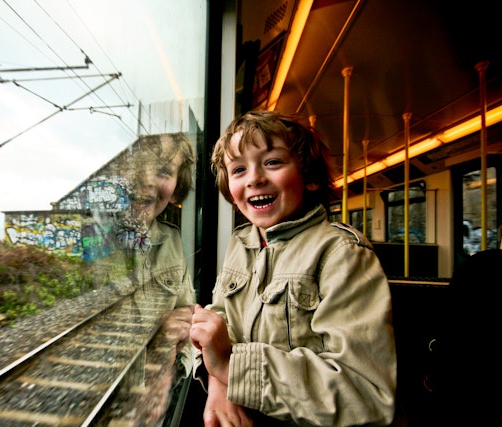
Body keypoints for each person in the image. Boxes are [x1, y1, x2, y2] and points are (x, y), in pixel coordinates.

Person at [189, 111, 397, 426]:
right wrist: (217, 384)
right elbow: (220, 331)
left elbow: (366, 394)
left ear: (310, 177)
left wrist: (231, 367)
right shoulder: (242, 242)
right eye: (239, 169)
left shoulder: (342, 254)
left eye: (272, 162)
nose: (254, 178)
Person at [115, 132, 198, 422]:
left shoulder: (172, 242)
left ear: (177, 189)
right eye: (138, 168)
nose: (147, 180)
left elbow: (188, 323)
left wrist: (170, 375)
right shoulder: (90, 241)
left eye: (163, 171)